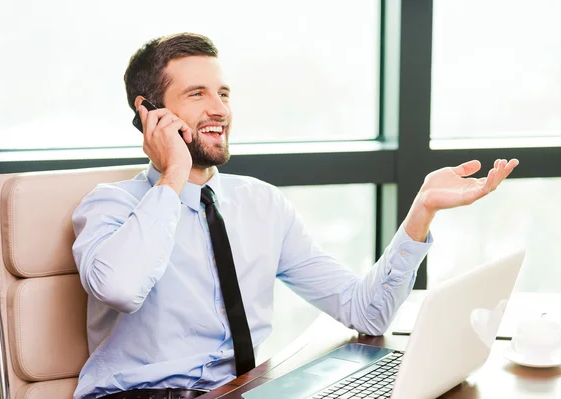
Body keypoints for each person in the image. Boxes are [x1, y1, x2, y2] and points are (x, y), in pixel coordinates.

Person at [71, 32, 519, 399]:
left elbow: (367, 313)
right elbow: (122, 288)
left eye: (223, 93)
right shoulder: (109, 206)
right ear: (149, 112)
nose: (220, 109)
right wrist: (174, 176)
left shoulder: (262, 205)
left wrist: (421, 212)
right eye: (197, 94)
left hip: (241, 391)